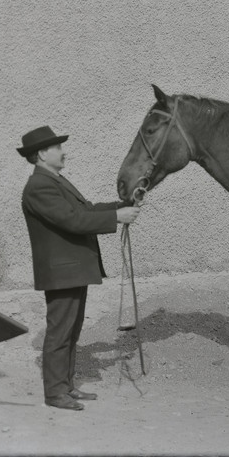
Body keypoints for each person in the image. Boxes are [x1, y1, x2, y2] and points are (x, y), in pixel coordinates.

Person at [17, 125, 141, 411]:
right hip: (62, 272)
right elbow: (72, 221)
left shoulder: (55, 181)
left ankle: (66, 386)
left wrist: (122, 205)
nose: (64, 152)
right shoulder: (39, 186)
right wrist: (117, 217)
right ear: (42, 154)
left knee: (71, 330)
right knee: (61, 331)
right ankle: (55, 393)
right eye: (58, 147)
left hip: (70, 270)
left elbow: (85, 210)